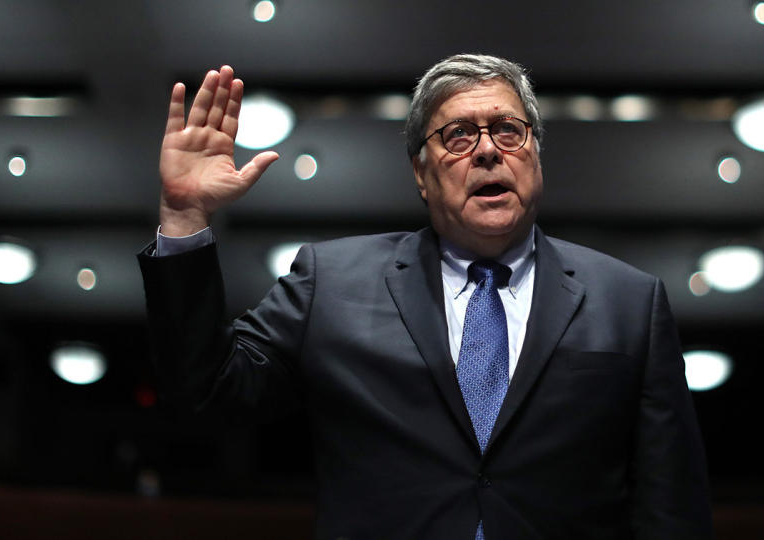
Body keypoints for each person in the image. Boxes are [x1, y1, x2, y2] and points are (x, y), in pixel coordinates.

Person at [138, 54, 713, 539]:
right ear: (420, 172)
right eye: (458, 136)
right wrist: (185, 218)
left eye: (509, 130)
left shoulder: (631, 302)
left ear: (535, 154)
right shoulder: (330, 283)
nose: (488, 151)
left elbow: (672, 509)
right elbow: (206, 392)